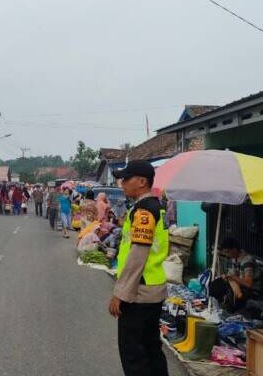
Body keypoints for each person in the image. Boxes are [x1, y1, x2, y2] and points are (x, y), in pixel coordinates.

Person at [109, 160, 169, 376]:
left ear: (142, 181)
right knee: (152, 348)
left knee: (134, 354)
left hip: (139, 293)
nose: (122, 183)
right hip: (153, 289)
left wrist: (120, 294)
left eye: (126, 178)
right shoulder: (157, 207)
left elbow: (138, 255)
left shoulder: (144, 211)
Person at [217, 237, 261, 305]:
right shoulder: (235, 259)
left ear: (234, 250)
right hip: (242, 288)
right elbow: (234, 274)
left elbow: (249, 284)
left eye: (227, 252)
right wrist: (227, 277)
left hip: (252, 292)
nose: (226, 255)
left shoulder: (247, 261)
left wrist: (233, 277)